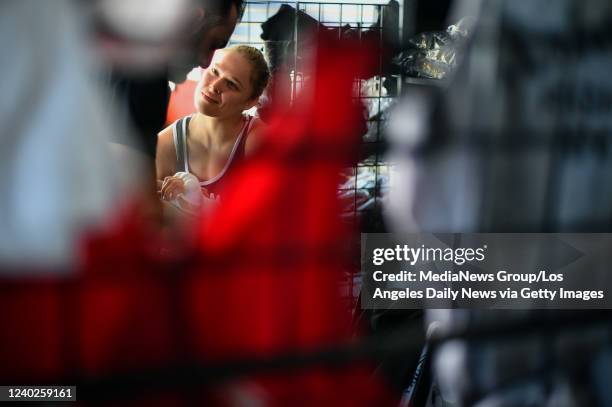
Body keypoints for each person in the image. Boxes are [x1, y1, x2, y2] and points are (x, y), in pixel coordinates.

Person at [156, 45, 270, 212]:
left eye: (231, 84)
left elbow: (265, 220)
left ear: (251, 101)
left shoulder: (260, 140)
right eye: (215, 72)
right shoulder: (166, 143)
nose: (215, 85)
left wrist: (194, 201)